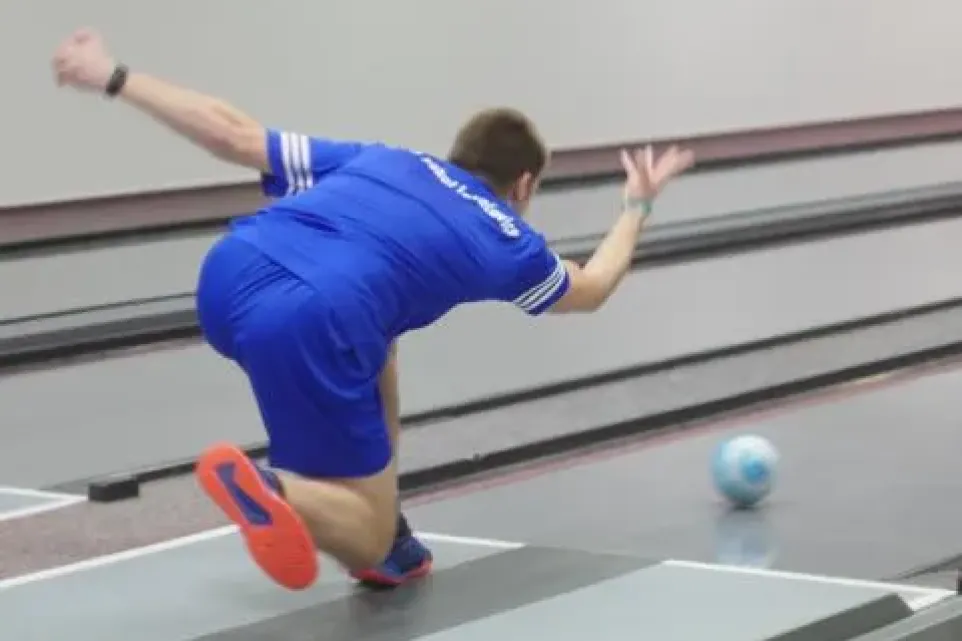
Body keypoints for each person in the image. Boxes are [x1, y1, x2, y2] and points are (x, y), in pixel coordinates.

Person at [52, 28, 695, 591]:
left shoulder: (385, 159)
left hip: (228, 274)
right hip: (314, 318)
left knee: (383, 341)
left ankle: (382, 532)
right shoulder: (504, 234)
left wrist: (112, 75)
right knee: (361, 532)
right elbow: (593, 286)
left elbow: (233, 134)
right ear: (524, 184)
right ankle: (287, 495)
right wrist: (636, 206)